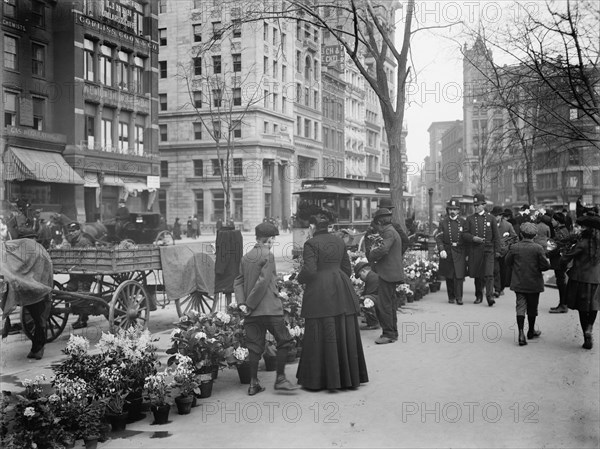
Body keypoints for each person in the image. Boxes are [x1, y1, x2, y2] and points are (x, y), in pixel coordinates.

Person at [296, 209, 368, 390]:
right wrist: (335, 280)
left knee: (320, 331)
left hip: (320, 293)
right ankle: (348, 377)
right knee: (343, 329)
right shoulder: (338, 241)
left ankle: (319, 379)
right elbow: (347, 269)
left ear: (312, 227)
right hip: (341, 288)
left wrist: (299, 278)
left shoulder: (310, 243)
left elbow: (310, 270)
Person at [234, 222, 299, 395]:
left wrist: (243, 304)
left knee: (254, 346)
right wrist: (249, 304)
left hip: (251, 313)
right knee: (284, 340)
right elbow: (262, 283)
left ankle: (253, 383)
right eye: (273, 239)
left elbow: (238, 281)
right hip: (269, 309)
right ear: (269, 239)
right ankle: (280, 379)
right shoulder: (267, 255)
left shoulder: (246, 257)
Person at [505, 222, 552, 346]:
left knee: (520, 306)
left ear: (521, 234)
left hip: (519, 282)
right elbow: (545, 266)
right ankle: (531, 331)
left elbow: (507, 262)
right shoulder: (538, 248)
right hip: (534, 283)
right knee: (532, 307)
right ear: (535, 235)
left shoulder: (515, 247)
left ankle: (521, 333)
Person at [560, 215, 600, 349]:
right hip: (597, 280)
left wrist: (563, 260)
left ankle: (586, 335)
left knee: (583, 309)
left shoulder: (582, 243)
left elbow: (566, 258)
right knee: (594, 306)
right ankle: (590, 328)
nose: (581, 229)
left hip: (580, 279)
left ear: (588, 229)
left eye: (583, 227)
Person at [367, 208, 404, 344]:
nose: (376, 227)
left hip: (387, 274)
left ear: (380, 221)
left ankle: (388, 334)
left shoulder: (388, 232)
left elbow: (383, 249)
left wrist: (371, 253)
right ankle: (392, 332)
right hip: (390, 273)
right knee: (390, 303)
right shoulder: (391, 231)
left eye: (376, 223)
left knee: (384, 305)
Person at [462, 194, 501, 306]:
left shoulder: (491, 218)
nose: (476, 207)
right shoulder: (470, 219)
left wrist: (498, 250)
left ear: (483, 205)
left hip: (488, 250)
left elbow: (496, 236)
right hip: (475, 250)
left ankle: (490, 297)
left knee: (489, 274)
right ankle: (478, 295)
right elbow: (464, 234)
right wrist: (473, 238)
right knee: (478, 275)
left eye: (478, 205)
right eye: (475, 205)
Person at [435, 199, 467, 305]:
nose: (452, 211)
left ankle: (459, 297)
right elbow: (438, 237)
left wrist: (467, 254)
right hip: (448, 250)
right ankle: (451, 296)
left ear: (458, 211)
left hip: (459, 251)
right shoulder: (443, 223)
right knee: (449, 275)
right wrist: (441, 249)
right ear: (448, 210)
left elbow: (467, 238)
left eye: (455, 209)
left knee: (459, 275)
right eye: (451, 209)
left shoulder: (463, 222)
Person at [65, 222, 95, 329]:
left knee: (82, 295)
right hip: (76, 273)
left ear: (79, 230)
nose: (72, 233)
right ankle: (79, 315)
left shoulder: (84, 241)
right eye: (70, 231)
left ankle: (83, 319)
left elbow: (90, 258)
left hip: (85, 274)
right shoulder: (73, 241)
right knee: (69, 290)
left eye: (74, 231)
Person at [492, 206, 517, 298]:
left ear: (502, 216)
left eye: (498, 216)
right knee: (495, 270)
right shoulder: (489, 224)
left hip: (504, 252)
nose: (496, 218)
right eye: (495, 216)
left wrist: (506, 244)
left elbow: (514, 237)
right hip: (493, 251)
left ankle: (501, 288)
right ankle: (497, 289)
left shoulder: (508, 225)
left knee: (503, 271)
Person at [549, 213, 571, 313]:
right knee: (561, 282)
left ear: (557, 221)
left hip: (559, 260)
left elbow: (558, 246)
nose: (551, 222)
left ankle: (563, 305)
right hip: (561, 259)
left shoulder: (560, 231)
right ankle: (562, 304)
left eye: (553, 220)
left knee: (561, 283)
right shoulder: (564, 229)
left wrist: (549, 251)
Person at [354, 261, 380, 329]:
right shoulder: (371, 276)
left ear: (363, 271)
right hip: (380, 299)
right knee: (364, 298)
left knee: (366, 300)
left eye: (360, 275)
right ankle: (370, 319)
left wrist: (359, 297)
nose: (360, 278)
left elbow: (369, 294)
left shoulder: (372, 277)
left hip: (381, 300)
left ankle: (373, 322)